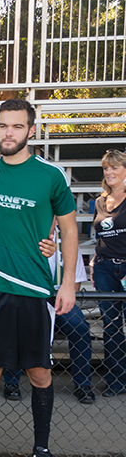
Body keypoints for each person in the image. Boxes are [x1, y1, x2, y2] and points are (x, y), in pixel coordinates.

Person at [0, 98, 79, 457]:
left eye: (16, 126)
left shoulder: (51, 176)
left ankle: (41, 449)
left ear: (30, 129)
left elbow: (70, 229)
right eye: (3, 126)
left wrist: (68, 283)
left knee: (39, 372)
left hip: (36, 290)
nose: (8, 133)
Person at [3, 222, 94, 404]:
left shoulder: (67, 240)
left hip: (58, 299)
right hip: (29, 298)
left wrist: (63, 296)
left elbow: (76, 283)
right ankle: (11, 382)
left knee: (80, 327)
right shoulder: (26, 235)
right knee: (16, 327)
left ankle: (83, 385)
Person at [89, 148, 126, 397]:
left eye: (114, 167)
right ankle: (116, 380)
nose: (109, 171)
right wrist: (94, 260)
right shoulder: (100, 201)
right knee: (111, 327)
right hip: (104, 268)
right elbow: (100, 236)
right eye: (106, 168)